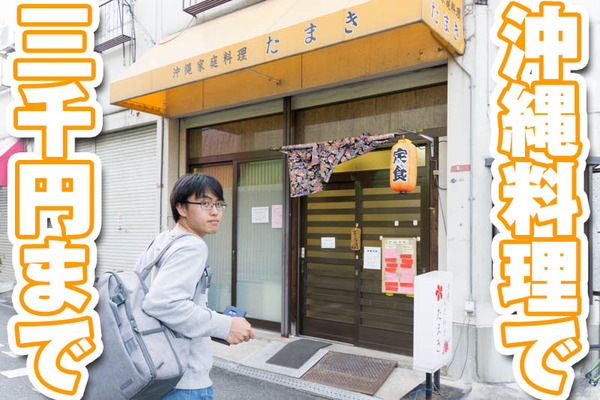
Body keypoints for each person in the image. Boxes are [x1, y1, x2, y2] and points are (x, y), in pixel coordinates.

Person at [135, 173, 255, 400]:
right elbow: (163, 304)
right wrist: (225, 325)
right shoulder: (192, 246)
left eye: (219, 204)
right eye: (205, 204)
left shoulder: (163, 240)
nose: (215, 212)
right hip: (184, 381)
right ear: (181, 208)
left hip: (156, 371)